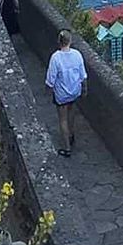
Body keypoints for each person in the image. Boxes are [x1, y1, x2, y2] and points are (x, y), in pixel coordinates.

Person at [45, 29, 87, 158]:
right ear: (70, 41)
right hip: (74, 91)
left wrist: (48, 91)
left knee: (62, 119)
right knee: (71, 113)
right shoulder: (77, 54)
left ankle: (67, 148)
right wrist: (85, 88)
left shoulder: (56, 58)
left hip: (62, 94)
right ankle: (72, 134)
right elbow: (83, 75)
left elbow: (51, 79)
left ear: (59, 42)